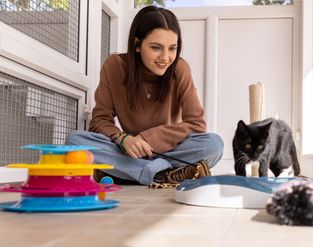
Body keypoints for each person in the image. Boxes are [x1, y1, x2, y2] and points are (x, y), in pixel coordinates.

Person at [65, 6, 224, 186]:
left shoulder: (180, 69)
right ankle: (163, 174)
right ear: (137, 44)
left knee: (213, 144)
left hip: (169, 149)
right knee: (75, 140)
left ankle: (130, 172)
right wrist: (124, 139)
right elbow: (100, 121)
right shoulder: (114, 66)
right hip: (130, 150)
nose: (166, 57)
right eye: (156, 47)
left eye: (172, 48)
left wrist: (148, 139)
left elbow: (196, 125)